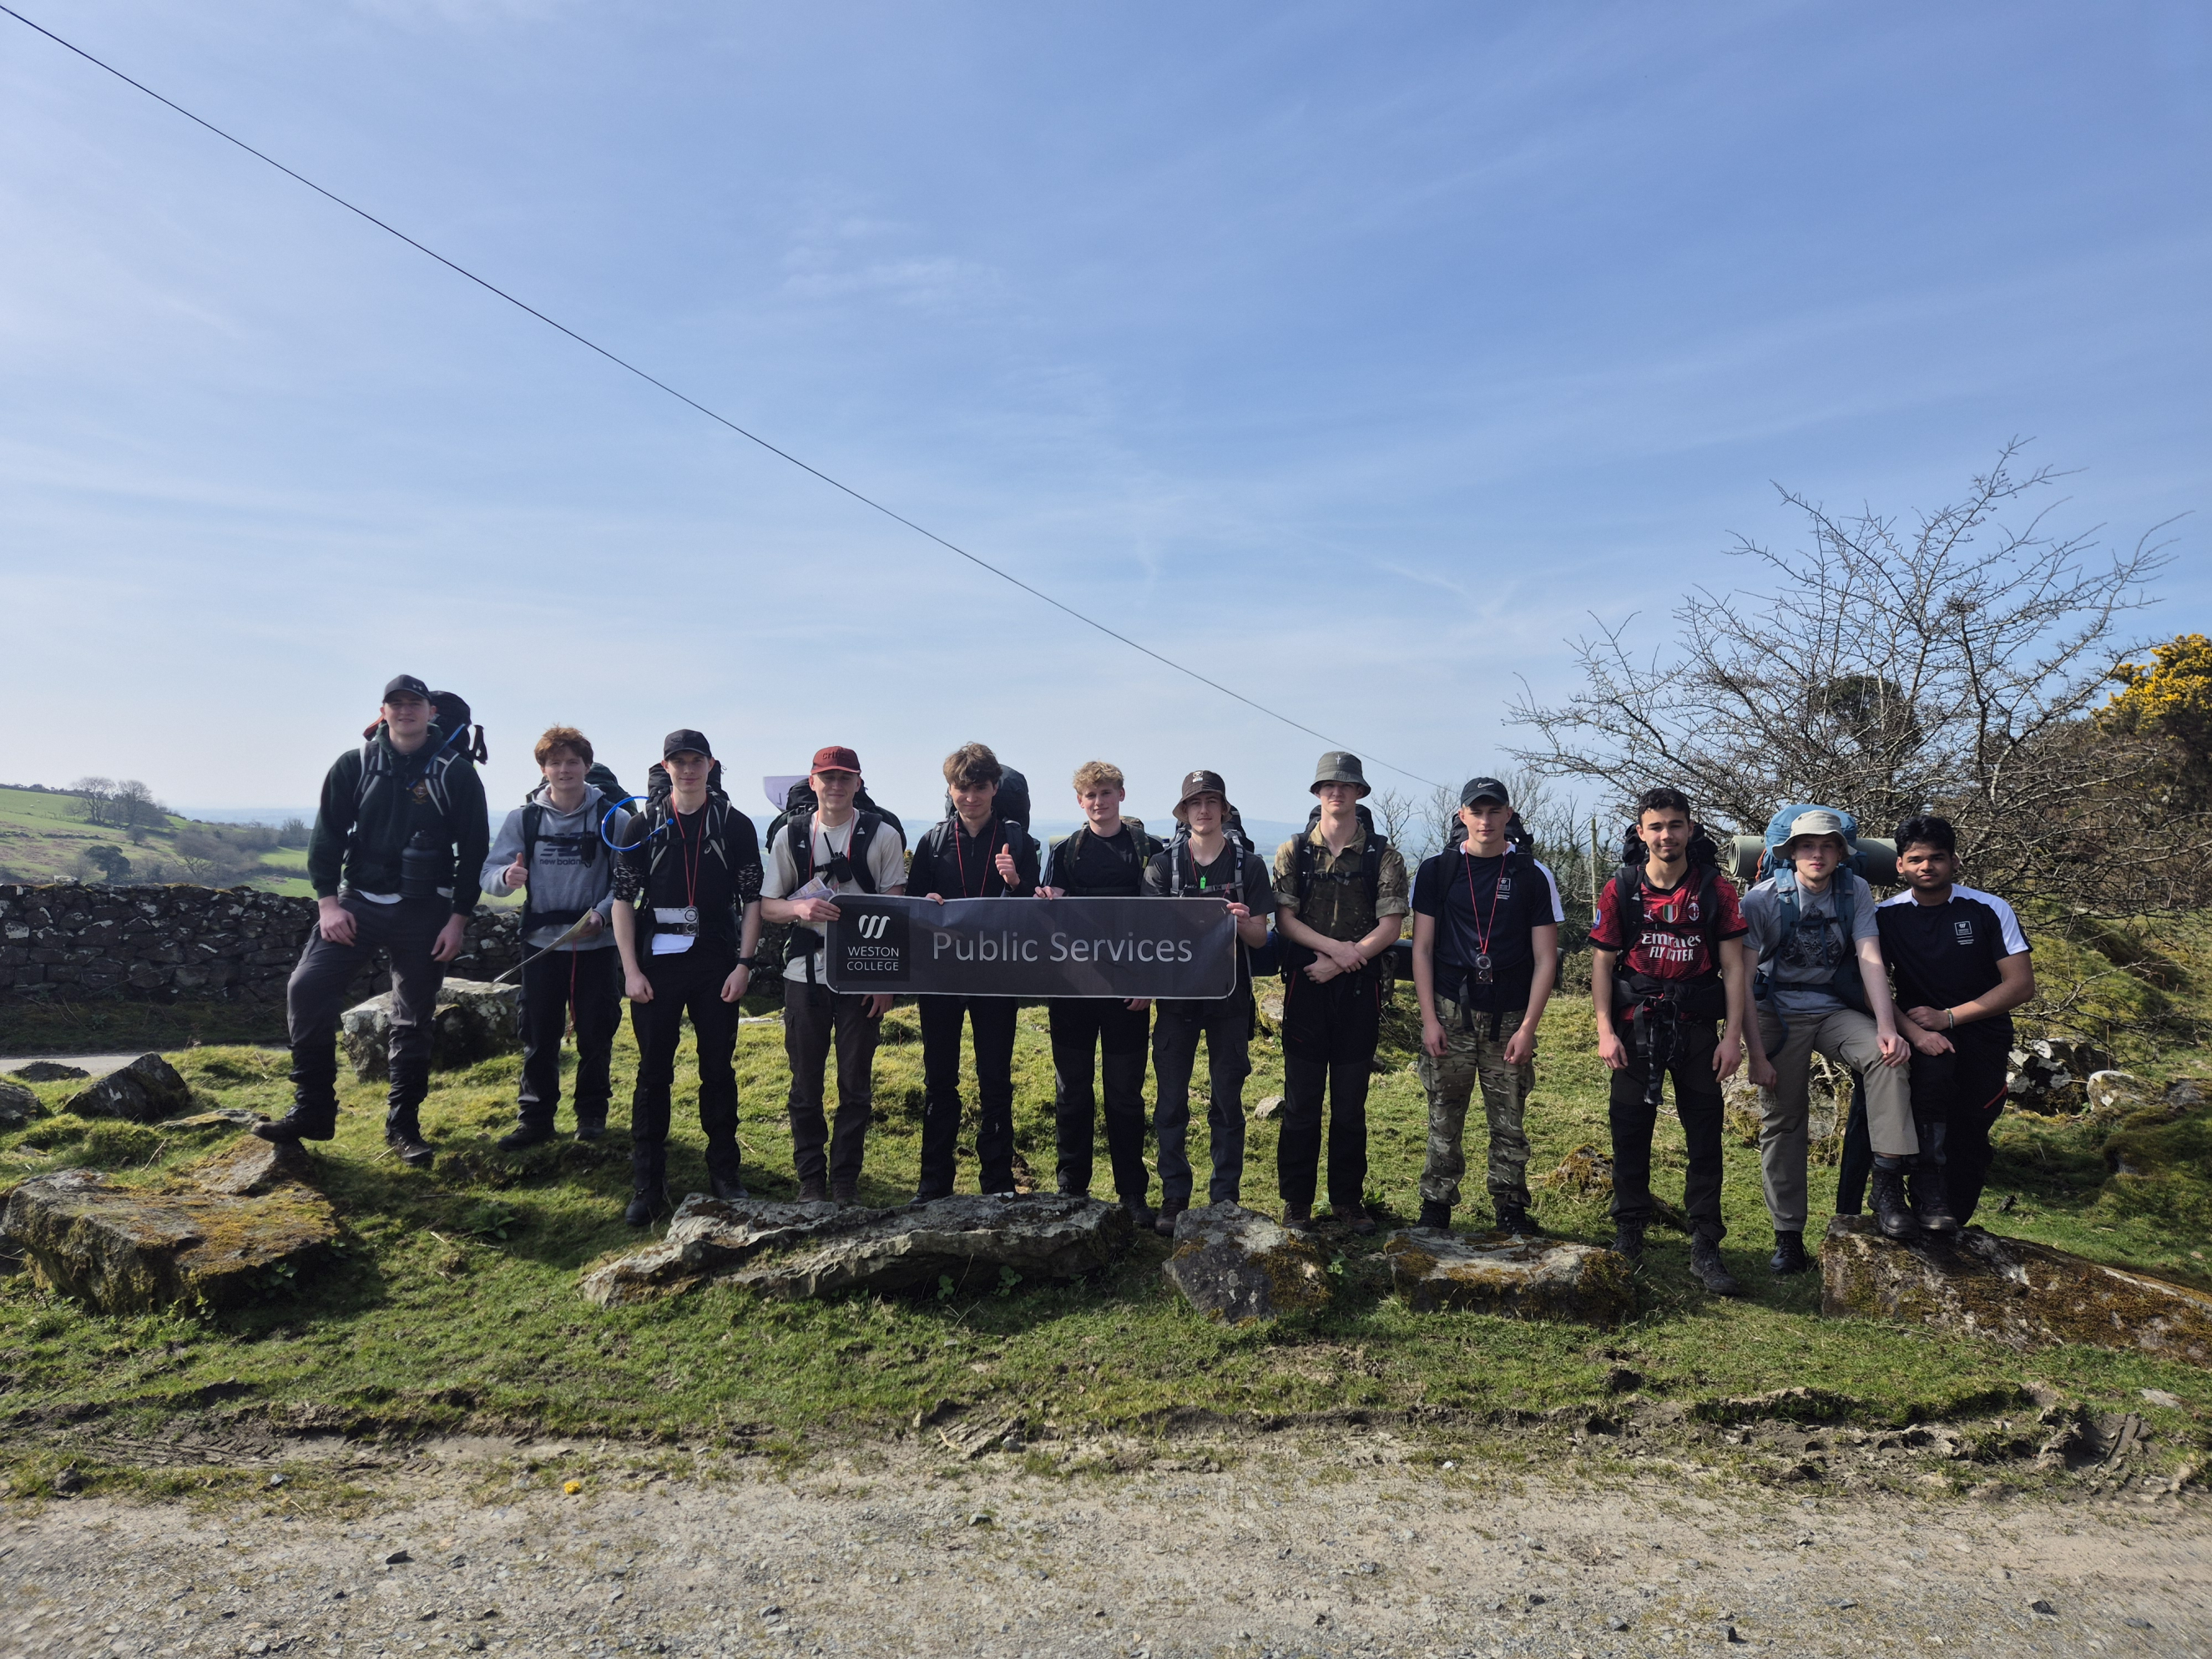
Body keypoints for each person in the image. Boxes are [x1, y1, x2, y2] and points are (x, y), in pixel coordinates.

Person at [256, 674, 487, 1168]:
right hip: (357, 902)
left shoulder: (456, 772)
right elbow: (327, 838)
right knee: (307, 988)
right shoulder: (355, 765)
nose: (405, 711)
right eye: (396, 704)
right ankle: (313, 1110)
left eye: (415, 704)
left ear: (430, 713)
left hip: (426, 909)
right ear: (383, 712)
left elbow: (473, 852)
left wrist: (457, 921)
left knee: (413, 1015)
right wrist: (328, 904)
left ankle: (403, 1126)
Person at [1588, 788, 1750, 1294]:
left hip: (1699, 1026)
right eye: (1656, 827)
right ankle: (1629, 1229)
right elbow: (1602, 962)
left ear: (1691, 829)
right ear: (1641, 832)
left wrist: (1734, 1038)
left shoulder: (1716, 890)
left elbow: (1734, 966)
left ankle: (1705, 1241)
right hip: (1636, 1024)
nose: (1666, 835)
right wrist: (1604, 1029)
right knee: (1630, 1129)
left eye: (1675, 825)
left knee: (1705, 1136)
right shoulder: (1621, 888)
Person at [1741, 809, 1917, 1267]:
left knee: (1887, 1058)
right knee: (1785, 1119)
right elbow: (1739, 980)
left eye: (1827, 845)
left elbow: (1870, 959)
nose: (1817, 854)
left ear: (1842, 852)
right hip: (1776, 1011)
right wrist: (1754, 1053)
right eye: (1806, 846)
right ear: (1791, 852)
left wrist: (1886, 1027)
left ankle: (1887, 1184)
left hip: (1833, 1007)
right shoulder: (1762, 900)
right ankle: (1788, 1234)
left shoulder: (1853, 889)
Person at [609, 730, 763, 1226]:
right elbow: (622, 901)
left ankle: (725, 1173)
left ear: (711, 764)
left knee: (717, 1069)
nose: (689, 769)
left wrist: (744, 964)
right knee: (653, 1073)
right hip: (656, 964)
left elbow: (752, 900)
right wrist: (630, 970)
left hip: (717, 960)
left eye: (697, 760)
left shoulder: (734, 825)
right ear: (666, 766)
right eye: (680, 761)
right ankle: (647, 1184)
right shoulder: (641, 824)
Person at [1408, 777, 1563, 1238]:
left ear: (1508, 815)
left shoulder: (1533, 875)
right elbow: (1421, 949)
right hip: (1451, 1011)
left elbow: (1546, 957)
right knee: (1443, 1113)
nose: (1485, 820)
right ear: (1462, 816)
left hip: (1510, 1016)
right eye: (1476, 811)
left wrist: (1529, 1027)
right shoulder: (1437, 871)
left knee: (1509, 1118)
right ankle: (1436, 1204)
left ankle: (1511, 1205)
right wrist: (1429, 1020)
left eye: (1494, 811)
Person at [759, 745, 907, 1205]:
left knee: (854, 1083)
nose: (836, 785)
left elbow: (896, 907)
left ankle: (844, 1180)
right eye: (828, 777)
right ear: (814, 780)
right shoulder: (792, 835)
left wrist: (884, 985)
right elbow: (768, 904)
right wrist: (799, 906)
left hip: (861, 976)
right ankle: (810, 1180)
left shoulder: (881, 835)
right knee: (804, 1081)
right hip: (804, 971)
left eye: (845, 777)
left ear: (858, 783)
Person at [1271, 752, 1410, 1233]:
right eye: (1329, 785)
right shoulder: (1293, 852)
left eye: (1346, 786)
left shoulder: (1384, 856)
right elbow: (1284, 920)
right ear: (1317, 793)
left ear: (1359, 793)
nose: (1337, 792)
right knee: (1301, 1101)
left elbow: (1391, 925)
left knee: (1350, 1104)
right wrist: (1334, 953)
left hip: (1359, 990)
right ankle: (1296, 1203)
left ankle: (1348, 1202)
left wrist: (1346, 961)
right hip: (1307, 985)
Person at [1876, 814, 2035, 1228]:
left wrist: (1948, 1018)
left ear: (1955, 862)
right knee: (1922, 1118)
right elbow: (1870, 988)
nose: (1926, 867)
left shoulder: (1988, 908)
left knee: (1971, 1132)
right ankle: (1919, 1200)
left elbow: (2019, 985)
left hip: (1983, 1036)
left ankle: (1954, 1227)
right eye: (1915, 859)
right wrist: (1916, 1031)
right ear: (1900, 866)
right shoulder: (1885, 916)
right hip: (1920, 1041)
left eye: (1937, 858)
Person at [480, 726, 631, 1150]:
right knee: (539, 1034)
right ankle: (535, 1119)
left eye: (572, 762)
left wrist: (601, 915)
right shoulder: (523, 819)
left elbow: (626, 881)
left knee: (596, 1033)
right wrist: (506, 878)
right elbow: (489, 875)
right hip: (541, 945)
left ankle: (591, 1116)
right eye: (555, 763)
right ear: (543, 769)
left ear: (586, 765)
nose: (564, 770)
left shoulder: (613, 819)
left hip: (596, 946)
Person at [905, 742, 1041, 1201]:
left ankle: (998, 1183)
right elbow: (914, 909)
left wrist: (1016, 882)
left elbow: (1032, 918)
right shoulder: (932, 842)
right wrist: (926, 906)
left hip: (997, 978)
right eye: (961, 788)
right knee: (939, 1079)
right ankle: (933, 1182)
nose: (970, 797)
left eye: (979, 787)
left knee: (996, 1079)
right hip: (942, 978)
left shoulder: (1020, 842)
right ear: (950, 789)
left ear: (994, 788)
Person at [1143, 770, 1275, 1237]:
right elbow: (1149, 939)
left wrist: (1240, 922)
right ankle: (1174, 1196)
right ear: (1183, 812)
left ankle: (1225, 1198)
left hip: (1230, 998)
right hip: (1177, 1001)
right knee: (1171, 1102)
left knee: (1227, 1102)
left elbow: (1261, 937)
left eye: (1212, 801)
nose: (1203, 809)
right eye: (1195, 802)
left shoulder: (1248, 867)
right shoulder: (1162, 867)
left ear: (1223, 809)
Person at [1037, 761, 1160, 1228]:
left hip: (1128, 991)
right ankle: (1072, 1187)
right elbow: (1051, 917)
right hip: (1072, 990)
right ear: (1079, 800)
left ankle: (1133, 1194)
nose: (1098, 801)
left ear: (1121, 795)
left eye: (1106, 792)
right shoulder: (1066, 850)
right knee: (1072, 1093)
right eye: (1090, 794)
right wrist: (1044, 900)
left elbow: (1160, 923)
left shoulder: (1147, 849)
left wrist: (1149, 983)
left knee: (1125, 1096)